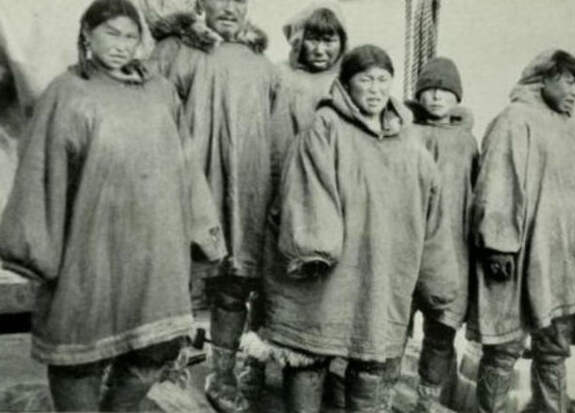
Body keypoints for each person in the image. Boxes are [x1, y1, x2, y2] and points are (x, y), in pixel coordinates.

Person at [0, 0, 226, 411]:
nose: (122, 45)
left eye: (130, 36)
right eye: (111, 34)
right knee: (78, 355)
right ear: (87, 35)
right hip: (90, 249)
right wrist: (36, 249)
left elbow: (188, 167)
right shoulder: (66, 94)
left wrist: (201, 231)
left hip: (154, 249)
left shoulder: (160, 92)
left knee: (155, 348)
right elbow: (39, 173)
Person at [255, 44, 459, 413]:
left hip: (381, 274)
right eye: (366, 80)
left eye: (383, 80)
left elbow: (433, 213)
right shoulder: (324, 127)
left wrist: (439, 281)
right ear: (347, 84)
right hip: (326, 274)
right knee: (309, 354)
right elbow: (305, 189)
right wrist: (313, 248)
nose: (376, 89)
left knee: (370, 361)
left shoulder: (410, 144)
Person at [149, 1, 293, 411]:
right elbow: (147, 120)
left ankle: (222, 371)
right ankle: (166, 367)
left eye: (239, 0)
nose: (230, 7)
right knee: (173, 280)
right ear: (199, 3)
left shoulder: (263, 66)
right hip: (187, 186)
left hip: (246, 190)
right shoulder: (173, 52)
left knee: (234, 283)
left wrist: (278, 195)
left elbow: (279, 140)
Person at [469, 49, 575, 413]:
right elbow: (496, 184)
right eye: (568, 81)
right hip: (516, 257)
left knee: (554, 347)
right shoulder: (514, 120)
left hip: (560, 262)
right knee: (504, 345)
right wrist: (497, 245)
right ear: (543, 79)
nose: (574, 91)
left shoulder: (572, 128)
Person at [406, 56, 479, 412]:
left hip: (452, 250)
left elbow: (476, 196)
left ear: (457, 97)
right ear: (419, 95)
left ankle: (427, 401)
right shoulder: (404, 132)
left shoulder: (467, 143)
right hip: (406, 246)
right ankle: (379, 396)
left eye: (445, 91)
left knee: (440, 332)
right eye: (430, 89)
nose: (436, 97)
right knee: (392, 327)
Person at [279, 1, 348, 134]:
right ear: (299, 41)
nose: (319, 50)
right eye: (313, 40)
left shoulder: (349, 80)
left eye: (328, 41)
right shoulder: (281, 76)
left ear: (342, 43)